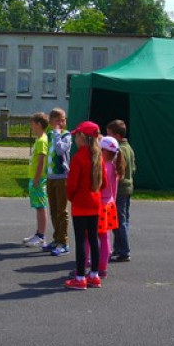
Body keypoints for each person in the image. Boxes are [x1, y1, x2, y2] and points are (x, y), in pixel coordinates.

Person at [65, 121, 103, 289]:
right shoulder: (98, 157)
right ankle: (94, 275)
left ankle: (80, 277)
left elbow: (71, 184)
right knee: (93, 238)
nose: (74, 139)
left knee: (81, 240)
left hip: (81, 203)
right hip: (95, 202)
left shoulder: (78, 157)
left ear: (82, 137)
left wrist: (71, 196)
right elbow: (104, 184)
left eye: (76, 136)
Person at [94, 135, 124, 279]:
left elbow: (97, 188)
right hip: (109, 204)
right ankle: (103, 268)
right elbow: (115, 190)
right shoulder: (115, 166)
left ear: (104, 151)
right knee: (105, 237)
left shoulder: (102, 167)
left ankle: (87, 263)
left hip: (99, 205)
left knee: (89, 237)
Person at [107, 119, 136, 263]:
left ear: (117, 136)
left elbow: (119, 170)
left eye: (110, 135)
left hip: (121, 189)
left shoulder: (120, 150)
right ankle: (119, 248)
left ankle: (124, 250)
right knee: (122, 220)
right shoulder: (129, 147)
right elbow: (134, 167)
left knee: (119, 221)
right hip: (128, 187)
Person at [45, 108, 72, 256]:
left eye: (63, 120)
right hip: (51, 178)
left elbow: (60, 150)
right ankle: (56, 238)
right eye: (57, 121)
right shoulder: (49, 135)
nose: (61, 123)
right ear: (51, 122)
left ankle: (63, 242)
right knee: (54, 210)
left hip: (62, 178)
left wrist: (57, 133)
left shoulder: (66, 135)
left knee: (62, 211)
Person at [22, 112, 50, 247]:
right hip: (35, 178)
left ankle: (41, 236)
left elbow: (41, 162)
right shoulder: (39, 139)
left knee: (41, 207)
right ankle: (38, 233)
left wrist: (37, 179)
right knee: (38, 207)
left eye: (32, 124)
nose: (31, 127)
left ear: (38, 124)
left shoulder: (42, 141)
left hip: (39, 179)